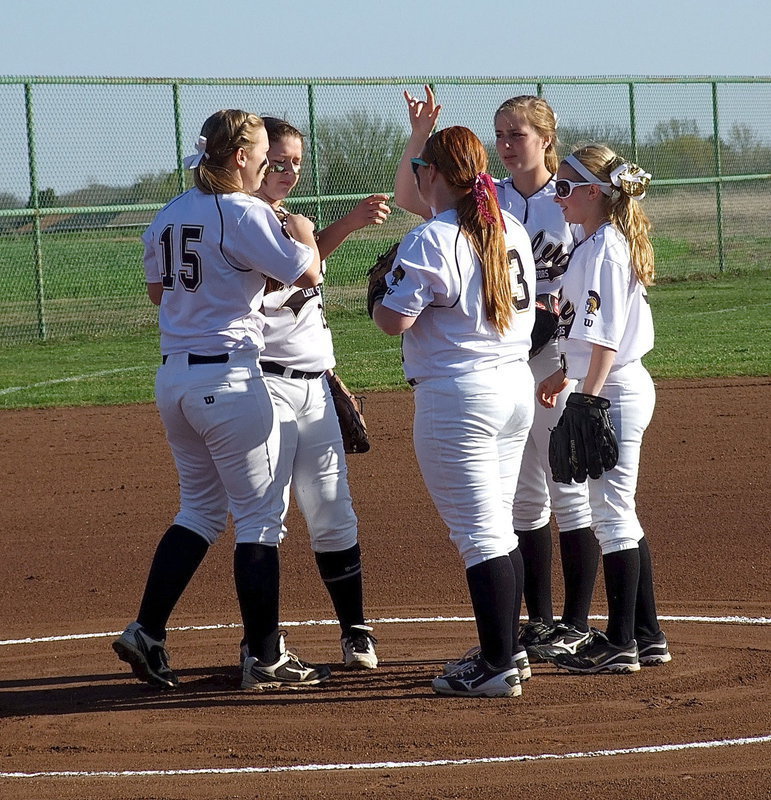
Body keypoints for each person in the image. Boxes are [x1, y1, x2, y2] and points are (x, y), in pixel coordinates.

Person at [112, 109, 330, 692]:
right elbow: (305, 272)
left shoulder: (170, 211)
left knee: (200, 511)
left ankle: (147, 631)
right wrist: (304, 233)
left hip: (175, 381)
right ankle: (265, 655)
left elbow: (159, 292)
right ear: (239, 157)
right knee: (260, 518)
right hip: (229, 380)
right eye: (261, 152)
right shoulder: (244, 210)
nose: (268, 162)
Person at [394, 87, 598, 666]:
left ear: (546, 140)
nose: (507, 144)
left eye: (519, 134)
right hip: (510, 357)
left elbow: (594, 280)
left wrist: (576, 356)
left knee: (568, 488)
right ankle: (535, 622)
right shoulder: (494, 200)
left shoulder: (571, 199)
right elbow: (418, 195)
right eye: (500, 134)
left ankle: (575, 624)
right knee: (523, 500)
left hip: (556, 353)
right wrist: (419, 135)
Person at [378, 124, 536, 697]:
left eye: (422, 167)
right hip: (513, 387)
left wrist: (377, 294)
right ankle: (507, 651)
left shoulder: (432, 236)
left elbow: (394, 319)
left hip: (460, 396)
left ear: (435, 174)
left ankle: (497, 664)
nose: (418, 177)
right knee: (497, 526)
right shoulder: (509, 226)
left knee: (481, 534)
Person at [243, 116, 390, 669]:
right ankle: (260, 643)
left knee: (334, 511)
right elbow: (306, 270)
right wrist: (321, 232)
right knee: (268, 514)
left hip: (314, 384)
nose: (286, 170)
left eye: (295, 162)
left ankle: (355, 632)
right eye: (276, 161)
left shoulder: (284, 221)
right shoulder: (243, 223)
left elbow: (309, 267)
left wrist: (331, 372)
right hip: (266, 384)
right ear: (251, 161)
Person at [537, 144, 671, 673]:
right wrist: (564, 372)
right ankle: (647, 633)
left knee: (611, 515)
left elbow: (607, 338)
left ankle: (619, 643)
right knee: (620, 513)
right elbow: (587, 332)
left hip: (613, 387)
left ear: (596, 192)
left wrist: (587, 398)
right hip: (608, 382)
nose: (558, 196)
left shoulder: (604, 249)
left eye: (566, 187)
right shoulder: (594, 242)